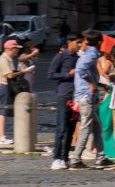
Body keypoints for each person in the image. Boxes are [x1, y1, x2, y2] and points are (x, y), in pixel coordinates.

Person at [69, 30, 112, 169]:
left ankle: (101, 156)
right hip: (86, 96)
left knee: (97, 127)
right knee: (86, 128)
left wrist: (100, 85)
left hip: (86, 95)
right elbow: (81, 71)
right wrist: (92, 84)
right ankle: (75, 158)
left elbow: (87, 72)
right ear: (99, 42)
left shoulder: (89, 53)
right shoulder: (92, 53)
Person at [47, 34, 81, 170]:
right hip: (64, 95)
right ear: (70, 42)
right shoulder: (61, 56)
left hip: (75, 96)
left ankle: (65, 157)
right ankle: (56, 158)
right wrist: (67, 75)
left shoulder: (79, 58)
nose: (79, 45)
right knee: (61, 128)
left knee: (71, 128)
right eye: (77, 42)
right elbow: (50, 75)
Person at [0, 39, 28, 145]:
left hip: (8, 86)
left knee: (9, 111)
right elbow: (9, 75)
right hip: (4, 87)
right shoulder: (3, 59)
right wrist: (22, 72)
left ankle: (6, 136)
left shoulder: (9, 59)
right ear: (11, 49)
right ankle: (1, 137)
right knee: (3, 111)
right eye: (16, 48)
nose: (17, 51)